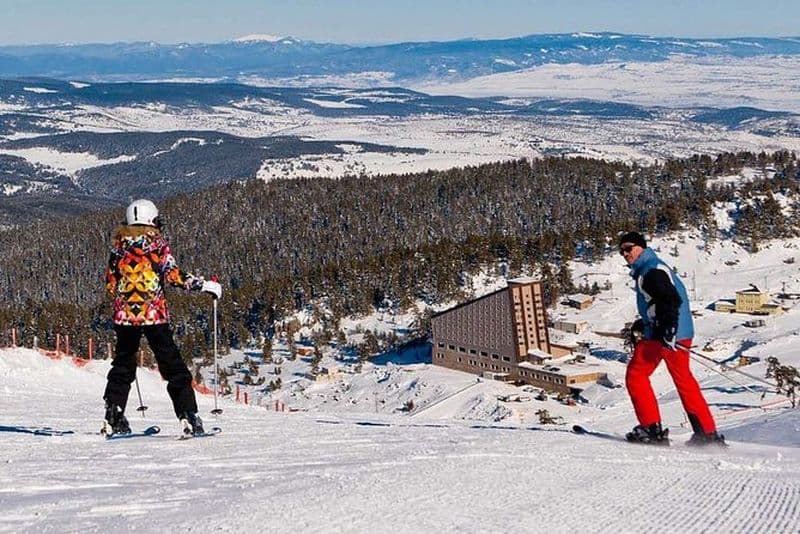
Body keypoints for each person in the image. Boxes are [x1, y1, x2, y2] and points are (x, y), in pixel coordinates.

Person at [102, 199, 222, 436]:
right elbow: (174, 275)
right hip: (154, 315)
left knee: (123, 364)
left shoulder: (117, 249)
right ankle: (188, 415)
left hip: (125, 317)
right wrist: (203, 285)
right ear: (152, 220)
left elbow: (110, 284)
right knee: (172, 365)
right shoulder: (157, 246)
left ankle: (113, 414)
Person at [619, 231, 725, 446]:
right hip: (675, 332)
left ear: (641, 247)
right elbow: (659, 302)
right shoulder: (653, 266)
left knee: (636, 375)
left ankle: (651, 429)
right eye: (621, 251)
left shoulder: (650, 271)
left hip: (667, 334)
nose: (625, 254)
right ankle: (706, 433)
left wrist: (667, 328)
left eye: (628, 248)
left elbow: (670, 299)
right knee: (683, 379)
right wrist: (646, 323)